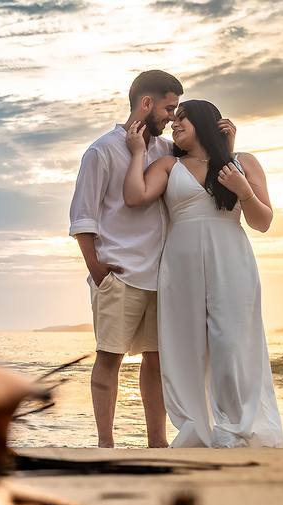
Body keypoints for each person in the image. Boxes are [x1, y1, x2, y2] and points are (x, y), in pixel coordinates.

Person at [122, 99, 283, 448]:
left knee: (231, 344)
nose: (175, 124)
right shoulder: (168, 164)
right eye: (174, 118)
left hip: (232, 260)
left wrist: (244, 190)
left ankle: (235, 427)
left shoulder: (244, 163)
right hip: (181, 266)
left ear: (205, 123)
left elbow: (263, 221)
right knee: (184, 348)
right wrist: (137, 153)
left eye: (184, 118)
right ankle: (195, 429)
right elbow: (135, 196)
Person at [68, 70, 182, 448]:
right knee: (109, 358)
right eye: (169, 108)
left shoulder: (166, 151)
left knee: (157, 361)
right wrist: (98, 271)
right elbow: (83, 217)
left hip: (160, 275)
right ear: (146, 104)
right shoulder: (101, 150)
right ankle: (105, 444)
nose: (172, 117)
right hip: (119, 272)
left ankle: (158, 444)